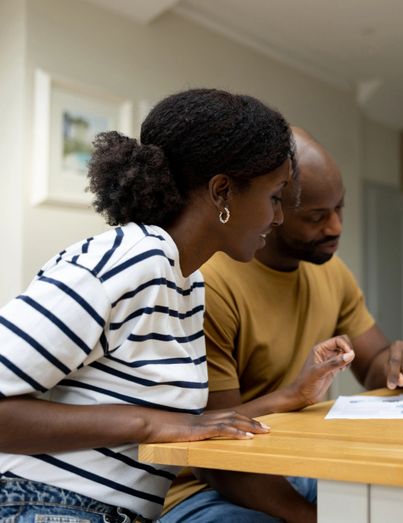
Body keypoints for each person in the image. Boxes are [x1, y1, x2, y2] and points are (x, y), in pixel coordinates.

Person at [0, 89, 354, 522]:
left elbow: (188, 425)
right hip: (45, 506)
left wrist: (292, 396)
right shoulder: (132, 260)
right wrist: (146, 425)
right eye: (275, 196)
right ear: (223, 192)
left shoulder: (184, 284)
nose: (278, 218)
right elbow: (154, 423)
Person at [161, 127, 403, 523]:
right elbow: (216, 454)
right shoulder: (212, 285)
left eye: (340, 208)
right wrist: (311, 518)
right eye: (316, 217)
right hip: (207, 488)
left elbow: (374, 363)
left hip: (301, 465)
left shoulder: (331, 273)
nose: (336, 227)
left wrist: (400, 363)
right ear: (272, 212)